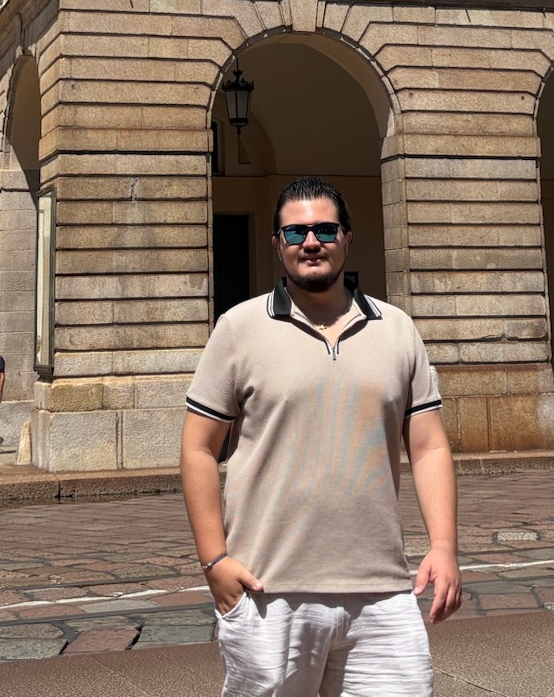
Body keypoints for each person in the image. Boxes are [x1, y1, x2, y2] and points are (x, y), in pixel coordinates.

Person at [182, 177, 461, 695]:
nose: (311, 242)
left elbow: (428, 447)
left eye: (325, 229)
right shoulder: (238, 329)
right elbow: (199, 448)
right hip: (269, 589)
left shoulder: (397, 329)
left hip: (381, 590)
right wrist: (214, 562)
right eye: (295, 233)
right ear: (277, 244)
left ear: (347, 238)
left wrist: (444, 545)